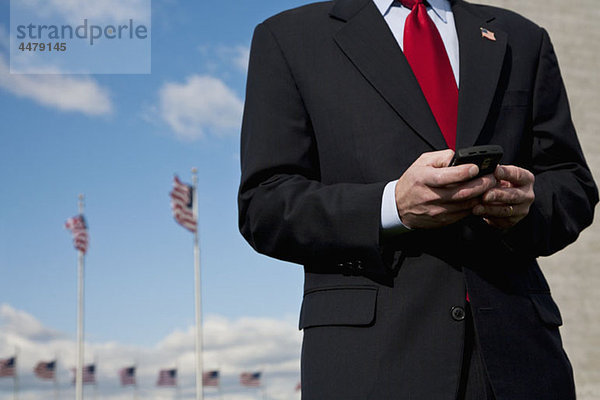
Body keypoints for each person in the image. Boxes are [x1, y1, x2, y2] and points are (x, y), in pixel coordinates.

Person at [237, 0, 598, 398]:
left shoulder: (522, 36)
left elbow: (573, 185)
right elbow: (265, 205)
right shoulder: (287, 37)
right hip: (371, 364)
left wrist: (526, 206)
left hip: (522, 359)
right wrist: (393, 206)